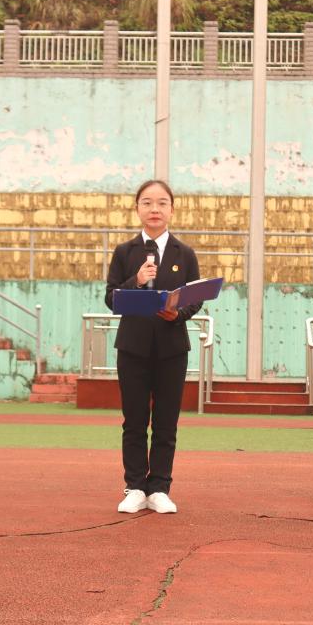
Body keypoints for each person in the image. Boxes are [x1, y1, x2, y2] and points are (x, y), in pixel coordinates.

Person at [105, 180, 202, 514]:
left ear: (172, 209)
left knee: (165, 422)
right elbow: (111, 298)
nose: (154, 209)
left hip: (172, 348)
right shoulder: (124, 252)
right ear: (137, 209)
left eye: (162, 203)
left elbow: (195, 298)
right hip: (132, 347)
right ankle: (134, 486)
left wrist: (178, 313)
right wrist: (136, 280)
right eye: (147, 202)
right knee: (134, 420)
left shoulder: (184, 253)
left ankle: (159, 487)